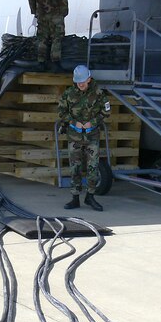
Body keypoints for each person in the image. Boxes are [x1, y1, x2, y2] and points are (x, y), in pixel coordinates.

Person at [57, 64, 110, 211]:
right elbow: (61, 112)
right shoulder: (68, 94)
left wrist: (91, 123)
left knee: (93, 167)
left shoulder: (99, 94)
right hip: (74, 137)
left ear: (89, 79)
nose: (80, 84)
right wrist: (74, 123)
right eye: (78, 81)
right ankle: (75, 198)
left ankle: (90, 197)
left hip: (92, 136)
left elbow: (106, 112)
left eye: (83, 81)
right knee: (75, 168)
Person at [28, 0, 68, 73]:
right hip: (56, 16)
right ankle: (55, 63)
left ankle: (41, 63)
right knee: (57, 38)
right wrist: (63, 13)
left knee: (42, 39)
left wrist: (35, 12)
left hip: (42, 16)